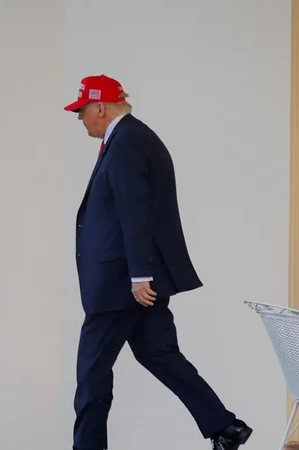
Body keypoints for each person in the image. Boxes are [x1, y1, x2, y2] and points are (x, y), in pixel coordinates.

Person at [64, 74, 252, 450]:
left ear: (100, 107)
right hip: (132, 280)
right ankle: (224, 427)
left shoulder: (128, 143)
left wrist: (139, 275)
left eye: (81, 110)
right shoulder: (129, 139)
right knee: (159, 353)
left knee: (92, 373)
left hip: (121, 283)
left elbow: (136, 212)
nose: (80, 118)